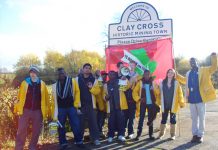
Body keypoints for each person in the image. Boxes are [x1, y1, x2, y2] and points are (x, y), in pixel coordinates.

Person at [176, 53, 217, 143]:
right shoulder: (188, 73)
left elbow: (214, 67)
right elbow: (184, 80)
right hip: (191, 100)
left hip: (201, 99)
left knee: (201, 118)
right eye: (191, 62)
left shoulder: (204, 70)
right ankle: (195, 135)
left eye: (194, 61)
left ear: (197, 62)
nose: (192, 63)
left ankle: (200, 135)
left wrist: (214, 57)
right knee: (194, 118)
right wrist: (177, 75)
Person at [14, 65, 50, 150]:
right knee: (21, 130)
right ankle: (19, 147)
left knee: (36, 131)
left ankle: (32, 147)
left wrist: (47, 111)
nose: (32, 74)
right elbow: (19, 97)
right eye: (31, 72)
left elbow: (46, 99)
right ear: (29, 73)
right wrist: (17, 108)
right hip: (25, 110)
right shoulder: (24, 83)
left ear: (37, 73)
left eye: (34, 72)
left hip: (38, 111)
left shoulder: (42, 84)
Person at [51, 68, 83, 149]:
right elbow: (54, 99)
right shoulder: (55, 85)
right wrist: (54, 111)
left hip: (71, 107)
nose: (61, 75)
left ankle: (78, 141)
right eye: (59, 74)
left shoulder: (72, 81)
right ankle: (63, 143)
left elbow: (77, 92)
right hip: (60, 108)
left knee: (75, 124)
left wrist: (76, 104)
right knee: (61, 125)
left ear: (65, 73)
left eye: (62, 73)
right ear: (57, 75)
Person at [76, 63, 101, 146]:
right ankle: (79, 139)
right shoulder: (76, 80)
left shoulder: (94, 80)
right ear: (83, 69)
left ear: (90, 70)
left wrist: (91, 88)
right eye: (86, 68)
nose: (87, 69)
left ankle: (95, 139)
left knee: (93, 123)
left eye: (89, 68)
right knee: (80, 123)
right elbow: (74, 92)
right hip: (81, 105)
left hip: (91, 105)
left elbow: (97, 92)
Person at [157, 69, 185, 140]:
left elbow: (180, 94)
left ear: (174, 75)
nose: (170, 74)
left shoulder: (176, 83)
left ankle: (172, 135)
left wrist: (181, 102)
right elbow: (158, 93)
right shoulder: (162, 82)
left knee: (173, 120)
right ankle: (161, 134)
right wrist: (155, 87)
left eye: (172, 73)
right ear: (167, 73)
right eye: (169, 72)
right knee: (163, 119)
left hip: (173, 105)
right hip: (165, 104)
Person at [133, 69, 159, 141]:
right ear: (143, 75)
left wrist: (156, 87)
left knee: (150, 119)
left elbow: (158, 92)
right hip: (143, 103)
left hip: (151, 103)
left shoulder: (153, 82)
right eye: (145, 74)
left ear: (150, 75)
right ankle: (138, 135)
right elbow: (134, 92)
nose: (147, 76)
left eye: (148, 74)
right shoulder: (140, 82)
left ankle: (151, 134)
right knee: (141, 119)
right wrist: (139, 99)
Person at [104, 71, 128, 143]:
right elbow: (103, 96)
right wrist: (106, 97)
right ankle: (111, 136)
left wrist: (124, 80)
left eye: (113, 74)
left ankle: (121, 135)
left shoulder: (120, 81)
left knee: (121, 121)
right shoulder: (106, 84)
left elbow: (125, 89)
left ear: (115, 75)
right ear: (108, 75)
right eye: (110, 74)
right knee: (111, 122)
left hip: (120, 106)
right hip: (111, 107)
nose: (111, 75)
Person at [124, 61, 138, 139]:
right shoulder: (125, 74)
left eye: (133, 65)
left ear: (135, 66)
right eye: (130, 64)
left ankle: (130, 132)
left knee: (131, 117)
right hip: (124, 98)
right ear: (128, 65)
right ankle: (123, 132)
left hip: (133, 99)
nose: (132, 66)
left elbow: (138, 86)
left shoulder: (137, 75)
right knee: (125, 117)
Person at [95, 70, 108, 138]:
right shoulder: (98, 82)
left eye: (106, 75)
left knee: (102, 119)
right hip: (99, 105)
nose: (105, 76)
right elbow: (98, 93)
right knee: (99, 119)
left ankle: (100, 131)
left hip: (105, 105)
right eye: (103, 75)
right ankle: (98, 132)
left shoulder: (106, 83)